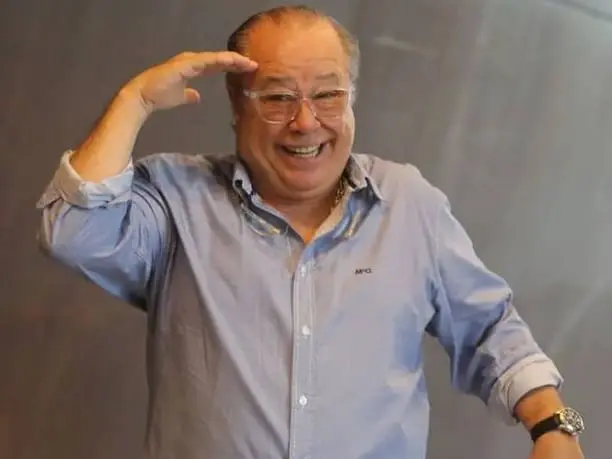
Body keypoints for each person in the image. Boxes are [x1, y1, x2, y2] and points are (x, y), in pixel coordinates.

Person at [36, 4, 585, 459]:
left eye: (327, 94)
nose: (305, 121)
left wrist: (553, 425)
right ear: (237, 107)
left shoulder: (409, 204)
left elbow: (490, 329)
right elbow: (71, 232)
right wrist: (135, 101)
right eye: (277, 97)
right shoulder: (178, 200)